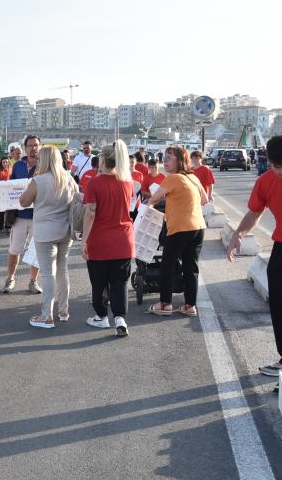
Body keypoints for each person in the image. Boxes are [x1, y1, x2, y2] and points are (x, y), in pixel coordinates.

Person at [227, 135, 282, 392]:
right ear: (269, 161)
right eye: (277, 167)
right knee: (278, 305)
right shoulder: (266, 180)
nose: (281, 173)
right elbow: (255, 212)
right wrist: (238, 234)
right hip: (281, 249)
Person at [19, 145, 78, 328]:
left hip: (45, 232)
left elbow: (23, 202)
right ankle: (64, 310)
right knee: (62, 270)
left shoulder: (38, 180)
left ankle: (47, 315)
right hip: (65, 231)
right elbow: (77, 201)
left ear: (43, 160)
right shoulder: (68, 179)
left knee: (47, 273)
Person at [146, 146, 208, 317]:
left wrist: (156, 209)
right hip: (198, 227)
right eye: (164, 157)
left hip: (180, 228)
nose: (164, 161)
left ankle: (165, 304)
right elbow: (205, 199)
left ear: (180, 160)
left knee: (167, 265)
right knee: (190, 267)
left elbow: (153, 199)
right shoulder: (193, 177)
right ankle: (190, 306)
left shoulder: (173, 178)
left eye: (169, 158)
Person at [82, 140, 135, 336]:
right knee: (120, 281)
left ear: (102, 160)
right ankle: (120, 317)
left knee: (99, 282)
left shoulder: (94, 183)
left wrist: (84, 241)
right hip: (123, 239)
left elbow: (90, 213)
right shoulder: (127, 182)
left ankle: (102, 316)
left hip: (99, 240)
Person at [3, 135, 42, 294]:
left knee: (36, 250)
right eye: (30, 145)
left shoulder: (45, 165)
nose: (33, 148)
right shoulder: (18, 165)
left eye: (36, 145)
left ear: (40, 146)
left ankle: (33, 281)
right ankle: (10, 278)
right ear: (25, 148)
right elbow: (11, 187)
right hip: (19, 215)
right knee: (14, 249)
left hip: (38, 216)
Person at [0, 156, 11, 232]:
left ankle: (7, 226)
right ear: (1, 163)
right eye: (3, 162)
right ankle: (0, 226)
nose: (5, 163)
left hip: (9, 193)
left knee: (8, 210)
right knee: (1, 210)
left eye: (6, 162)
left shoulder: (11, 170)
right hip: (1, 193)